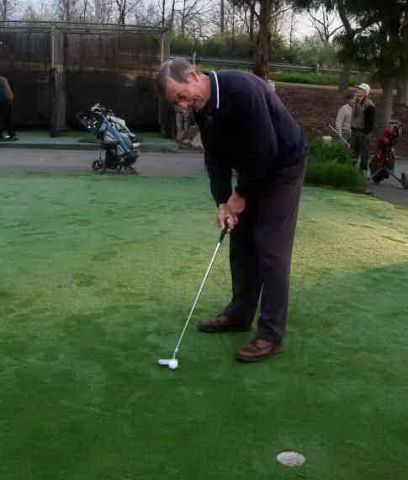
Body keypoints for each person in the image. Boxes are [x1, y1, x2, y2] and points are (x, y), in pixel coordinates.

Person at [157, 59, 306, 363]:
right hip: (254, 167)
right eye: (177, 102)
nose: (183, 106)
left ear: (193, 75)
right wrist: (223, 202)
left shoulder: (242, 89)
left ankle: (271, 334)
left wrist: (241, 193)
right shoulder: (201, 108)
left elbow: (266, 149)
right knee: (241, 239)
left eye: (182, 96)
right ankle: (239, 313)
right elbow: (214, 158)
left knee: (270, 247)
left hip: (283, 166)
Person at [350, 83, 375, 173]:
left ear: (365, 92)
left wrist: (365, 132)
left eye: (360, 89)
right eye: (358, 88)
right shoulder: (356, 102)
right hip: (354, 131)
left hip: (363, 132)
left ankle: (363, 171)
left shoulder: (369, 105)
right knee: (352, 152)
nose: (357, 90)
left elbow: (371, 122)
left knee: (364, 153)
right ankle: (351, 170)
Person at [0, 75, 17, 141]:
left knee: (2, 118)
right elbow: (9, 90)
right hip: (7, 100)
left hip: (3, 100)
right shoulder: (4, 79)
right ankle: (11, 134)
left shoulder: (3, 80)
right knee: (8, 118)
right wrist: (10, 99)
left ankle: (3, 135)